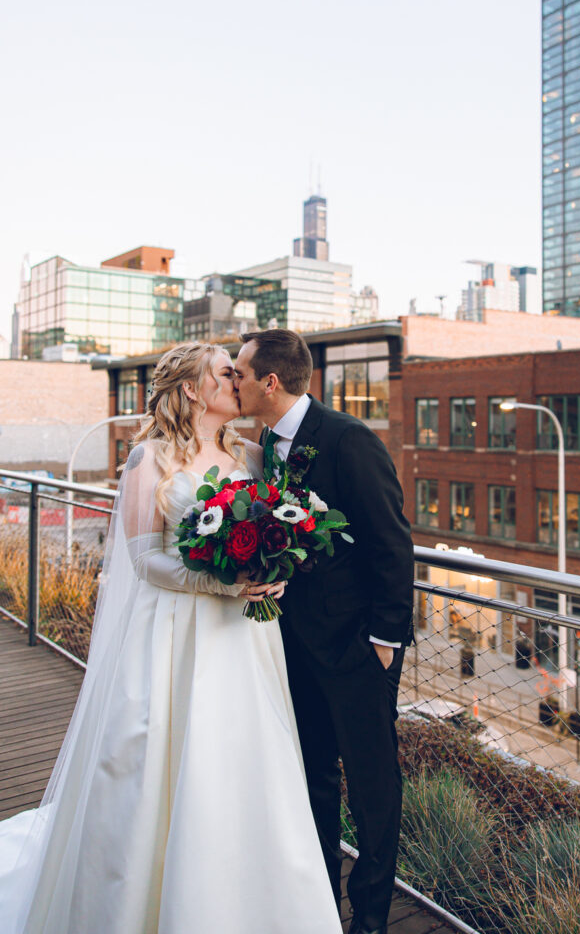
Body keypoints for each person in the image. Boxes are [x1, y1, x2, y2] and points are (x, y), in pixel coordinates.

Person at [0, 342, 342, 934]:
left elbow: (282, 531)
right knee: (158, 760)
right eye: (226, 374)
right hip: (175, 636)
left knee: (244, 762)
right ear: (191, 389)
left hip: (243, 640)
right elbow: (144, 563)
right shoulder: (148, 459)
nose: (238, 382)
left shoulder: (254, 457)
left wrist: (273, 571)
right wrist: (221, 582)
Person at [233, 329, 414, 934]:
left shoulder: (348, 438)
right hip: (295, 646)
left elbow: (392, 542)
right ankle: (318, 906)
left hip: (358, 649)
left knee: (372, 792)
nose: (234, 383)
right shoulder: (267, 443)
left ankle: (369, 919)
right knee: (313, 777)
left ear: (270, 382)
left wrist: (386, 640)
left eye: (240, 373)